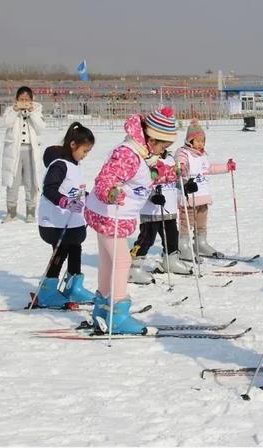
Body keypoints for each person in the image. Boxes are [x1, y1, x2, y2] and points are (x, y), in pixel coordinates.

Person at [85, 107, 179, 334]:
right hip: (109, 214)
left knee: (109, 261)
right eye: (163, 146)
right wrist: (110, 192)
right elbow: (106, 178)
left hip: (111, 215)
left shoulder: (144, 153)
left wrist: (174, 172)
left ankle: (102, 308)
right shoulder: (128, 153)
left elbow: (151, 174)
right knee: (122, 262)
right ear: (152, 138)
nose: (164, 151)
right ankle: (117, 314)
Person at [34, 122, 95, 308]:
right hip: (54, 221)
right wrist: (65, 202)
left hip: (71, 220)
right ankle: (47, 290)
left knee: (75, 247)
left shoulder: (75, 165)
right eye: (84, 151)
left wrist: (90, 199)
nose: (85, 155)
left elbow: (74, 190)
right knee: (61, 250)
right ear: (73, 145)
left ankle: (73, 287)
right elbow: (50, 189)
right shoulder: (59, 165)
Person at [175, 119, 236, 261]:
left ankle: (200, 243)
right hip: (189, 196)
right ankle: (182, 244)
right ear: (190, 140)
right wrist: (182, 168)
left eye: (203, 141)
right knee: (186, 222)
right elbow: (179, 164)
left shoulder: (202, 155)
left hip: (202, 194)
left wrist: (226, 167)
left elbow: (209, 169)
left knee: (201, 221)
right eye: (197, 141)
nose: (201, 144)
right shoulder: (183, 152)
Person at [128, 148, 191, 285]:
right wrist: (153, 196)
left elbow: (175, 178)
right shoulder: (146, 160)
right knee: (147, 238)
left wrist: (185, 185)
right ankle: (133, 266)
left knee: (172, 236)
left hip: (169, 207)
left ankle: (171, 261)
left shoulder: (170, 158)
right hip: (151, 209)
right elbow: (140, 183)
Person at [2, 86, 46, 223]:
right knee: (12, 181)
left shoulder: (37, 110)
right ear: (16, 100)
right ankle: (11, 212)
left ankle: (31, 211)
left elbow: (40, 128)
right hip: (14, 151)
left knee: (31, 181)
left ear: (32, 100)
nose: (24, 102)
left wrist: (32, 113)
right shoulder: (10, 111)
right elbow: (7, 123)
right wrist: (15, 111)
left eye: (27, 99)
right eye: (21, 99)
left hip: (30, 151)